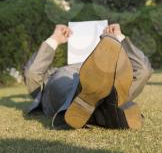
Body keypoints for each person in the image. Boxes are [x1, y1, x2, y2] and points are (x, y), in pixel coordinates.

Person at [23, 23, 153, 129]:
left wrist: (119, 37)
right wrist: (55, 39)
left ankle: (99, 106)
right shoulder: (60, 73)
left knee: (139, 72)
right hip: (71, 77)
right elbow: (32, 74)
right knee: (77, 82)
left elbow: (143, 71)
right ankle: (109, 109)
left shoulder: (108, 68)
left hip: (106, 78)